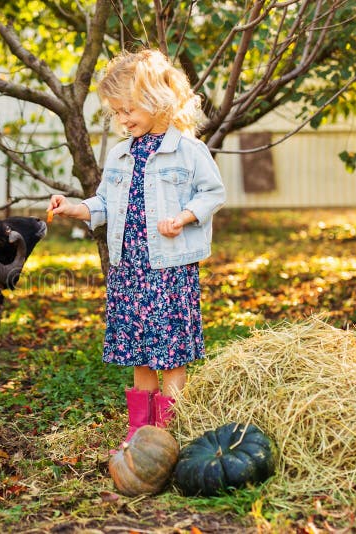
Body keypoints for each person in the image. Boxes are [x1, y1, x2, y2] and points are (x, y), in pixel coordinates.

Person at [49, 49, 226, 449]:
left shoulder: (188, 150)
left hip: (168, 270)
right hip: (130, 269)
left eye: (130, 108)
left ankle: (166, 434)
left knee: (171, 353)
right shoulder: (121, 154)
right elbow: (105, 204)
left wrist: (184, 217)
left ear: (158, 100)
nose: (123, 118)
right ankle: (139, 433)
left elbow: (212, 193)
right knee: (140, 354)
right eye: (117, 111)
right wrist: (75, 208)